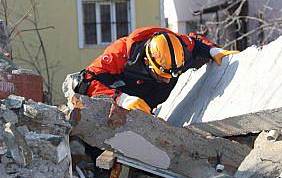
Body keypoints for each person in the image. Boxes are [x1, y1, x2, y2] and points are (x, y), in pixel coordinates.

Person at [74, 26, 239, 115]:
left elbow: (196, 42)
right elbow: (86, 80)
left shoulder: (178, 45)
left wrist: (214, 51)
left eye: (170, 75)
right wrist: (121, 99)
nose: (167, 79)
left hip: (154, 98)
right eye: (162, 75)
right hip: (125, 92)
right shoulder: (120, 54)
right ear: (147, 61)